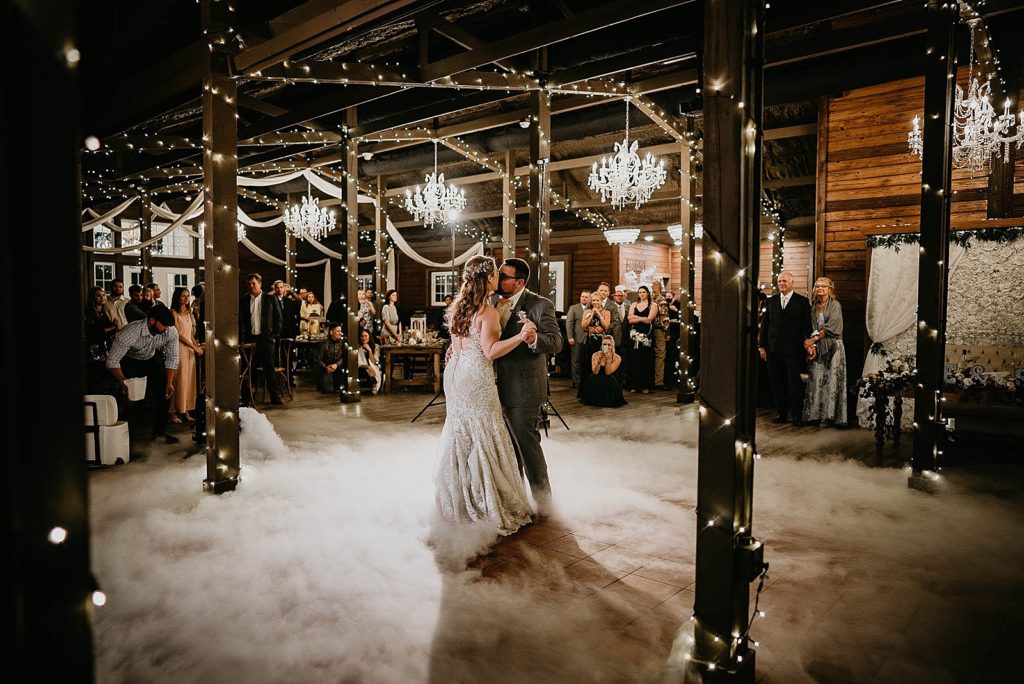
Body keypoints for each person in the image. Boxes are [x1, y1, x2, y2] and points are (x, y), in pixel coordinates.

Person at [435, 255, 535, 535]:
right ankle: (486, 504)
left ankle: (459, 502)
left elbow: (458, 343)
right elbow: (490, 352)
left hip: (455, 372)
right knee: (485, 432)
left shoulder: (459, 307)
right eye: (495, 274)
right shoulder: (487, 313)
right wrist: (521, 336)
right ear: (487, 279)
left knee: (461, 432)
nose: (498, 278)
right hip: (476, 376)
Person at [491, 257, 562, 516]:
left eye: (503, 275)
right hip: (491, 387)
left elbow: (556, 342)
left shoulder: (540, 304)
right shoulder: (490, 302)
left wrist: (534, 339)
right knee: (506, 448)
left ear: (519, 282)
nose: (498, 279)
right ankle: (516, 501)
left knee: (526, 444)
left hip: (524, 387)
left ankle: (544, 503)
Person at [105, 304, 180, 444]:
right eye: (164, 325)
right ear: (151, 321)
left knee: (165, 391)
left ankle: (159, 433)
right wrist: (124, 382)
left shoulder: (170, 331)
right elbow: (112, 361)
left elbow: (173, 358)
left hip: (151, 358)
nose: (166, 330)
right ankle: (126, 438)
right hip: (129, 361)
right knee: (129, 397)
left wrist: (169, 382)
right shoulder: (129, 333)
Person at [758, 271, 813, 426]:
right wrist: (762, 346)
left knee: (793, 382)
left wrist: (811, 343)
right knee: (776, 382)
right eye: (779, 281)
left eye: (784, 281)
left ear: (791, 282)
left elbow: (807, 326)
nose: (781, 283)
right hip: (773, 348)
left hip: (793, 349)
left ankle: (796, 414)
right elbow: (765, 326)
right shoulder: (772, 301)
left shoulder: (802, 302)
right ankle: (781, 413)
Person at [802, 277, 848, 427]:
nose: (820, 288)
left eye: (824, 286)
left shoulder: (835, 305)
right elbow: (810, 328)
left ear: (830, 289)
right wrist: (812, 346)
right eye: (818, 285)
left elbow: (832, 327)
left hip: (834, 347)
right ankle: (815, 413)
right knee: (817, 379)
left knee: (832, 380)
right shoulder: (814, 306)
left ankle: (829, 416)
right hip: (819, 348)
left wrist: (813, 340)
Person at [239, 273, 283, 405]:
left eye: (254, 283)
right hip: (250, 339)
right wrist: (242, 340)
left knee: (269, 368)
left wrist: (274, 335)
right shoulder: (244, 300)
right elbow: (241, 322)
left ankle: (275, 396)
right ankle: (246, 399)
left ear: (260, 284)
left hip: (266, 339)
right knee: (248, 369)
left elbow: (278, 319)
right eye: (249, 284)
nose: (251, 286)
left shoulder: (270, 299)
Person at [169, 287, 202, 423]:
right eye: (183, 296)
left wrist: (196, 346)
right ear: (178, 297)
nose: (186, 298)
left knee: (189, 380)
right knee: (179, 379)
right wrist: (193, 347)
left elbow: (190, 334)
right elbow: (179, 335)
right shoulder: (173, 313)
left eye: (188, 296)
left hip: (190, 349)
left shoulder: (189, 313)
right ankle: (173, 411)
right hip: (180, 348)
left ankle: (186, 409)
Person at [577, 295, 610, 399]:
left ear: (601, 301)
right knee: (588, 365)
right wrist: (591, 316)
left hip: (601, 342)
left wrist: (599, 314)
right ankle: (587, 392)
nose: (595, 302)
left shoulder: (606, 312)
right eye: (594, 300)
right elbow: (583, 325)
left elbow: (606, 326)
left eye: (598, 300)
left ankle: (600, 392)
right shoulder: (587, 312)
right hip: (589, 341)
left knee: (601, 364)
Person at [580, 335, 627, 407]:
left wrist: (608, 360)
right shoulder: (595, 354)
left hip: (610, 377)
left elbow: (608, 373)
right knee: (592, 379)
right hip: (597, 375)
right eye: (604, 344)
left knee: (610, 381)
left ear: (612, 346)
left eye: (609, 345)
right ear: (601, 345)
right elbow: (595, 372)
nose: (607, 346)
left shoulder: (617, 358)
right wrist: (599, 361)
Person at [627, 285, 657, 394]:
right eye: (640, 292)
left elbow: (649, 320)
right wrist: (641, 318)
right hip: (634, 334)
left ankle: (646, 386)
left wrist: (637, 318)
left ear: (647, 293)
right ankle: (635, 385)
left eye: (644, 292)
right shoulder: (634, 305)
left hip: (646, 334)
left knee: (646, 359)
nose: (642, 294)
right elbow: (630, 319)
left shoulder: (653, 305)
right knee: (634, 359)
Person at [565, 290, 590, 388]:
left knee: (586, 360)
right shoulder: (574, 308)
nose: (584, 298)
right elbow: (569, 323)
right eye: (582, 296)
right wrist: (570, 337)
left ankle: (586, 381)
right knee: (576, 360)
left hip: (589, 338)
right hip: (576, 338)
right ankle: (576, 381)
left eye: (586, 297)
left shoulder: (592, 308)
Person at [84, 286, 117, 356]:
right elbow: (90, 332)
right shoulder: (88, 313)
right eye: (98, 295)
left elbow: (114, 327)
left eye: (104, 295)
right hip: (95, 348)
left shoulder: (106, 312)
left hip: (108, 347)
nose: (102, 297)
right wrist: (107, 329)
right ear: (93, 298)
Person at [315, 323, 346, 393]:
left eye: (340, 331)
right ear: (331, 332)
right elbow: (318, 359)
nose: (340, 333)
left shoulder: (343, 343)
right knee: (328, 390)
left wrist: (336, 365)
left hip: (338, 367)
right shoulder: (324, 343)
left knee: (339, 387)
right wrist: (326, 367)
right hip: (326, 368)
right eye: (338, 331)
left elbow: (344, 357)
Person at [651, 280, 669, 388]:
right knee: (660, 354)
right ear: (660, 288)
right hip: (658, 329)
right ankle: (658, 381)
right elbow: (664, 317)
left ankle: (648, 379)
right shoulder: (661, 300)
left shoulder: (647, 299)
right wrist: (666, 331)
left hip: (647, 329)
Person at [357, 328, 383, 394]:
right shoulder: (358, 347)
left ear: (369, 336)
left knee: (376, 372)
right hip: (363, 367)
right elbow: (359, 362)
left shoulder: (376, 347)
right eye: (362, 336)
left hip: (374, 366)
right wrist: (368, 367)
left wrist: (369, 350)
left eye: (366, 336)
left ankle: (374, 384)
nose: (364, 338)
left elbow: (374, 361)